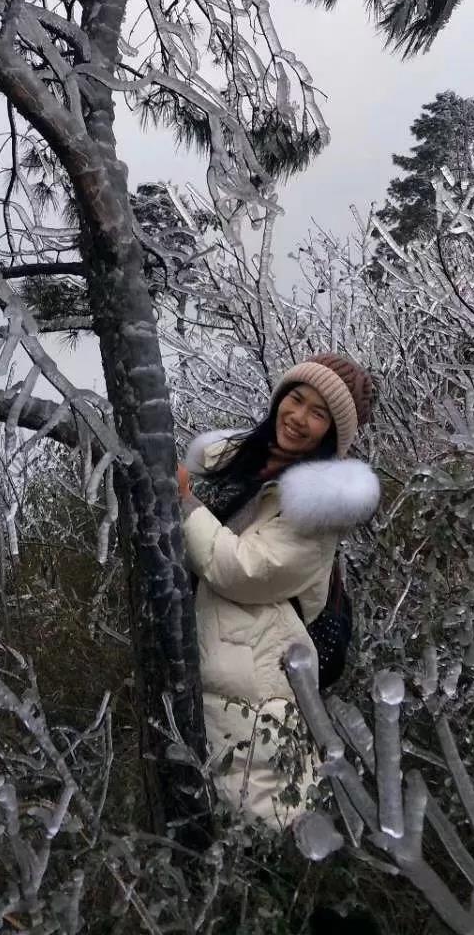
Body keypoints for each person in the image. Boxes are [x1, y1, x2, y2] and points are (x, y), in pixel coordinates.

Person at [177, 354, 379, 830]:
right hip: (198, 662)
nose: (299, 418)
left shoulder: (315, 510)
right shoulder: (233, 467)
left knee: (258, 828)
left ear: (332, 434)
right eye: (296, 399)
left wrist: (184, 504)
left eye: (318, 414)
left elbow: (244, 569)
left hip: (254, 687)